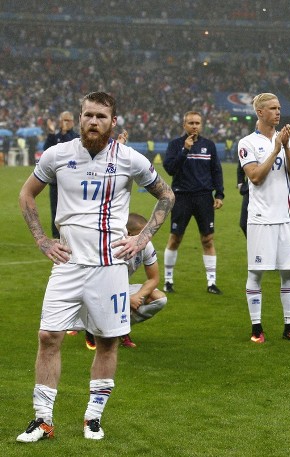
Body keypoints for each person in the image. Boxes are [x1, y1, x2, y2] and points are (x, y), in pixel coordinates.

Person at [16, 91, 174, 442]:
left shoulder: (129, 158)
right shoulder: (58, 155)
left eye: (101, 116)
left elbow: (167, 194)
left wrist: (144, 236)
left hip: (109, 267)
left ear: (113, 121)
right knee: (48, 336)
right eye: (88, 115)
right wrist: (43, 240)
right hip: (68, 264)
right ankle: (43, 419)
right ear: (80, 116)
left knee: (107, 341)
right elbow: (27, 194)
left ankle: (93, 417)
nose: (93, 122)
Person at [238, 93, 290, 344]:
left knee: (289, 273)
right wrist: (276, 150)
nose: (278, 112)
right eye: (272, 108)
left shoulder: (287, 139)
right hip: (261, 218)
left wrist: (287, 146)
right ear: (260, 112)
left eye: (279, 108)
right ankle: (256, 328)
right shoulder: (247, 143)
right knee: (256, 273)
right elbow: (256, 177)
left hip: (286, 217)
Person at [162, 111, 225, 294]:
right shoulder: (175, 145)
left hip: (204, 197)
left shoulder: (209, 145)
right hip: (182, 197)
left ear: (201, 125)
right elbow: (170, 169)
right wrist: (185, 150)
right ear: (184, 125)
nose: (194, 126)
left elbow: (216, 171)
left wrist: (219, 194)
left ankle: (211, 283)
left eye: (197, 123)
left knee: (207, 239)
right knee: (175, 238)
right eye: (191, 123)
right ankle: (168, 281)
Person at [120, 212, 170, 348]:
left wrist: (138, 296)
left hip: (121, 289)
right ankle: (91, 325)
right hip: (100, 291)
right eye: (141, 235)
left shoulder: (146, 245)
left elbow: (154, 278)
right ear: (129, 234)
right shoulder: (113, 247)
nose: (146, 238)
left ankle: (120, 329)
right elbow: (100, 283)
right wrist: (125, 299)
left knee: (159, 299)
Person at [42, 111, 79, 239]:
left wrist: (63, 134)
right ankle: (56, 237)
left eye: (67, 120)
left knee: (72, 210)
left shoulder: (76, 137)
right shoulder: (55, 136)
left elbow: (69, 149)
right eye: (63, 120)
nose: (65, 123)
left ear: (73, 122)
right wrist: (51, 134)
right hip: (56, 182)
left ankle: (72, 235)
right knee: (55, 210)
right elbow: (46, 150)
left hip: (72, 182)